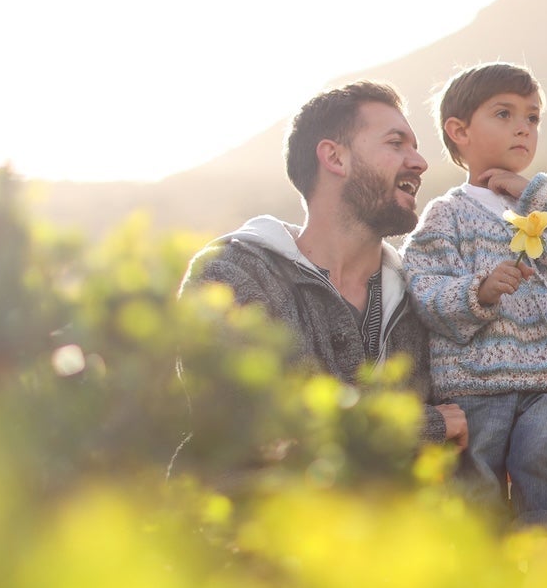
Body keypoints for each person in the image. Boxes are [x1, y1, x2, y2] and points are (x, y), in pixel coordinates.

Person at [402, 62, 547, 535]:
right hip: (475, 384)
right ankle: (482, 571)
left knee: (539, 462)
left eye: (532, 118)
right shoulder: (446, 214)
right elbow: (423, 288)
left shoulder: (542, 203)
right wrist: (479, 291)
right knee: (477, 477)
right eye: (504, 114)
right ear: (459, 131)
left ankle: (546, 555)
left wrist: (537, 193)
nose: (522, 128)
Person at [180, 80, 466, 450]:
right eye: (396, 144)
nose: (420, 162)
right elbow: (248, 428)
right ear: (334, 158)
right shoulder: (231, 275)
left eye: (415, 147)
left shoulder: (425, 297)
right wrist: (421, 425)